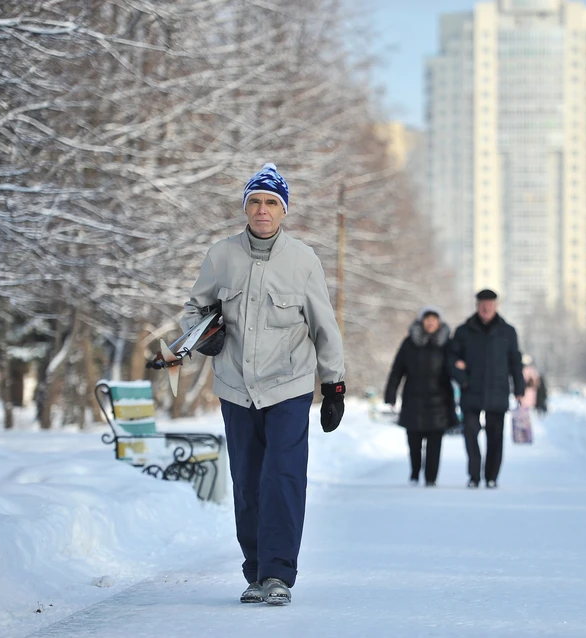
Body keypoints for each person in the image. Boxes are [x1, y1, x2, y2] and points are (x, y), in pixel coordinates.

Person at [181, 163, 345, 606]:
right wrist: (202, 337)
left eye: (271, 202)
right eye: (254, 201)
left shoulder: (303, 259)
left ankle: (278, 574)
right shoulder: (221, 256)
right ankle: (255, 572)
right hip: (236, 386)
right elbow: (194, 309)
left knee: (283, 477)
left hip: (288, 385)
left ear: (284, 211)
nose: (262, 210)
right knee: (248, 480)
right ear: (245, 208)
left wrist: (334, 385)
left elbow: (324, 325)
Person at [448, 289, 524, 489]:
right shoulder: (464, 331)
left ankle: (491, 476)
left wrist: (519, 389)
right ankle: (474, 476)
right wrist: (462, 379)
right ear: (477, 305)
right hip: (471, 391)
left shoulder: (507, 331)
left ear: (496, 306)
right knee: (471, 435)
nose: (486, 307)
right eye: (482, 304)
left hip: (497, 391)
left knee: (495, 437)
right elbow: (451, 360)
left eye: (490, 304)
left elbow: (515, 362)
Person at [384, 306, 458, 487]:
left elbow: (456, 369)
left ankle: (431, 477)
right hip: (413, 398)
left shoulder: (447, 344)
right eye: (427, 319)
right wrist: (391, 393)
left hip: (439, 400)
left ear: (439, 322)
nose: (430, 322)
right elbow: (397, 369)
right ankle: (415, 472)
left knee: (435, 441)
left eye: (434, 319)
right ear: (421, 321)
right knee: (414, 440)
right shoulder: (409, 343)